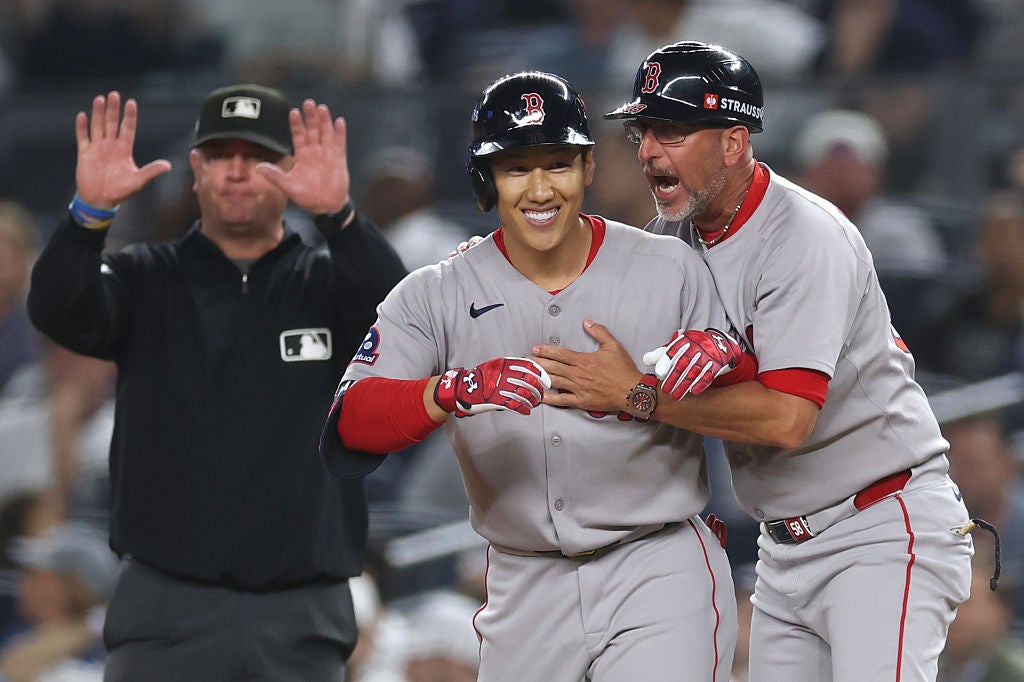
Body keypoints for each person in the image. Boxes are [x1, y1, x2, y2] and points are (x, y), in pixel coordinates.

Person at [532, 41, 976, 681]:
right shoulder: (671, 240)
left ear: (735, 142)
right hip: (784, 544)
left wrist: (641, 393)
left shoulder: (803, 236)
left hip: (879, 524)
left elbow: (787, 420)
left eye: (674, 129)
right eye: (644, 129)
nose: (650, 149)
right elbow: (593, 344)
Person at [321, 71, 744, 681]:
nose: (541, 189)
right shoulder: (437, 293)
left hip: (655, 560)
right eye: (517, 167)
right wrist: (448, 392)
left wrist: (722, 349)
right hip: (523, 579)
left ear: (589, 167)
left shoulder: (670, 266)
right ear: (486, 178)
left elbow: (755, 388)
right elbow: (349, 428)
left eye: (559, 164)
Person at [26, 83, 407, 680]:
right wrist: (87, 217)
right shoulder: (143, 279)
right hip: (165, 603)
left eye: (256, 156)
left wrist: (341, 216)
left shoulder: (328, 285)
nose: (237, 172)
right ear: (196, 169)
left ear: (288, 171)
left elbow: (404, 317)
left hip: (299, 605)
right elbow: (56, 310)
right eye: (220, 155)